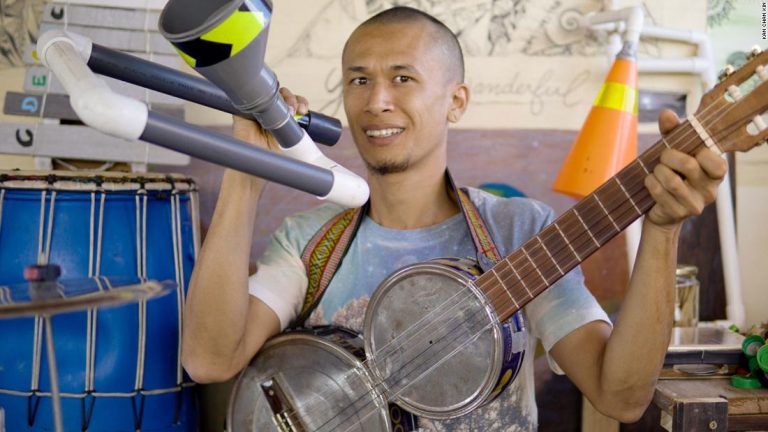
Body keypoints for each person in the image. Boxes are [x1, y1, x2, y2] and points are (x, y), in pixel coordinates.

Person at [180, 6, 727, 430]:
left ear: (456, 101)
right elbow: (208, 360)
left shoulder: (519, 232)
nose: (377, 102)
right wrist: (246, 171)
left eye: (403, 78)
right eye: (359, 80)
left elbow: (619, 397)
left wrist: (662, 231)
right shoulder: (309, 240)